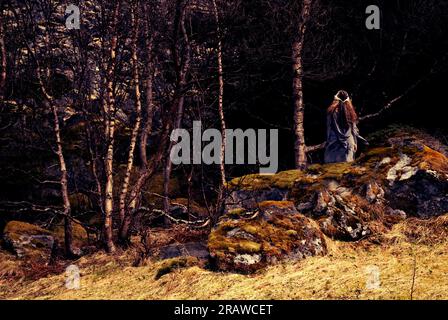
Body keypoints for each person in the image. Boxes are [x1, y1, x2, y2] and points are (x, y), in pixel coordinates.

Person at [324, 90, 368, 163]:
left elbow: (334, 129)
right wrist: (354, 142)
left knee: (333, 166)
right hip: (348, 141)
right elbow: (354, 129)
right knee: (346, 165)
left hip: (335, 142)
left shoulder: (332, 112)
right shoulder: (350, 111)